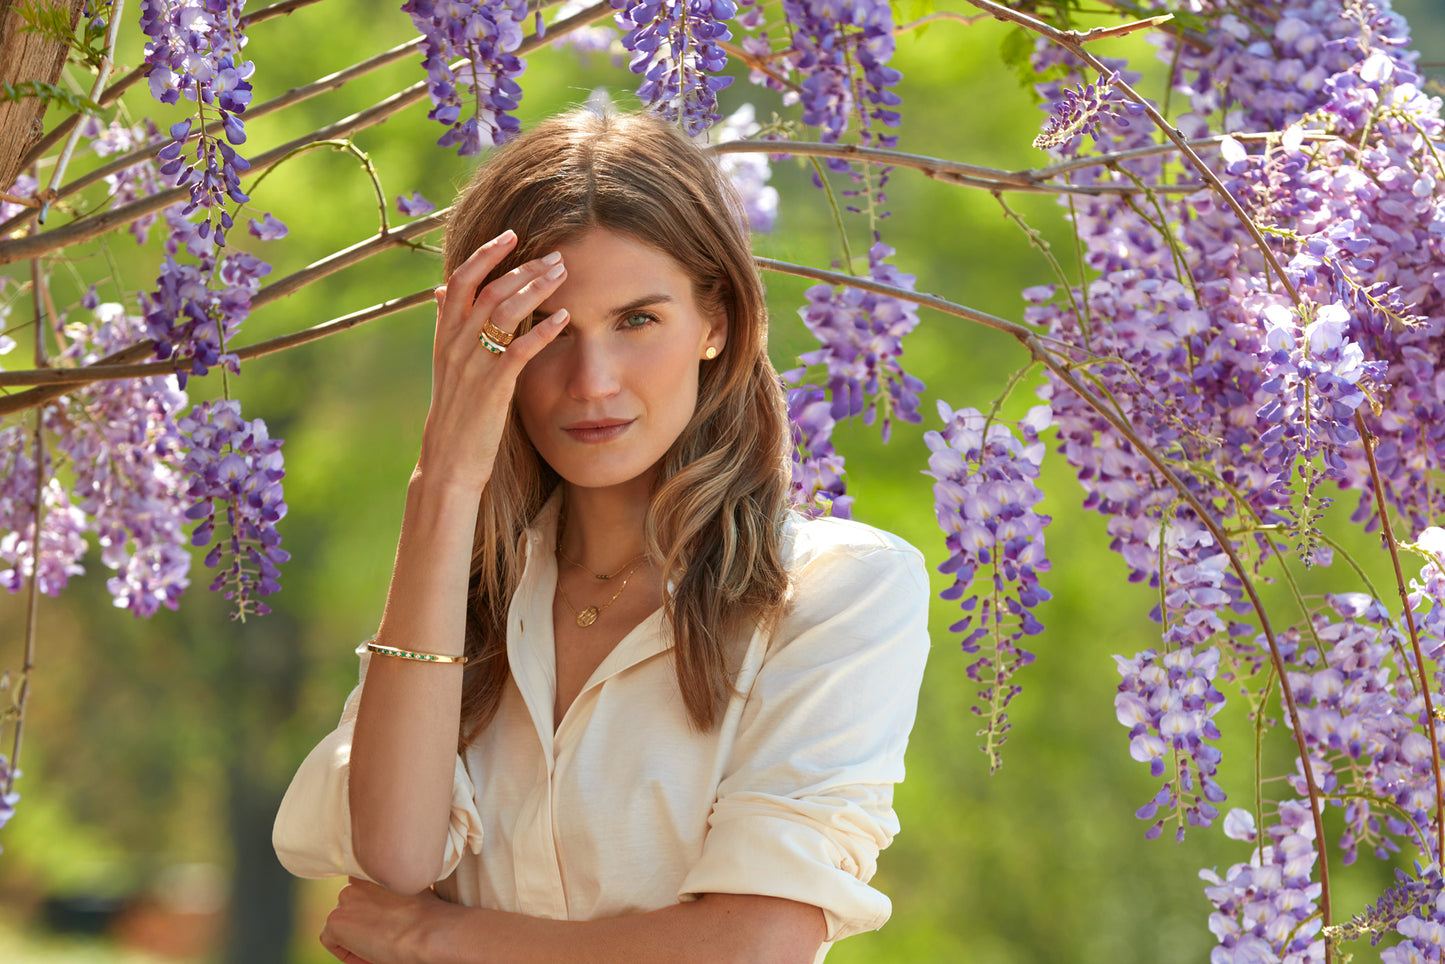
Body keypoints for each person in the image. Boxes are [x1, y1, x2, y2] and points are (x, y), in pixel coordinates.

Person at [272, 107, 931, 964]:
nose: (590, 383)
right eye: (543, 331)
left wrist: (441, 936)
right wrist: (443, 484)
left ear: (716, 322)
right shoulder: (457, 592)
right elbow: (393, 857)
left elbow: (755, 947)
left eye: (636, 321)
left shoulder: (838, 591)